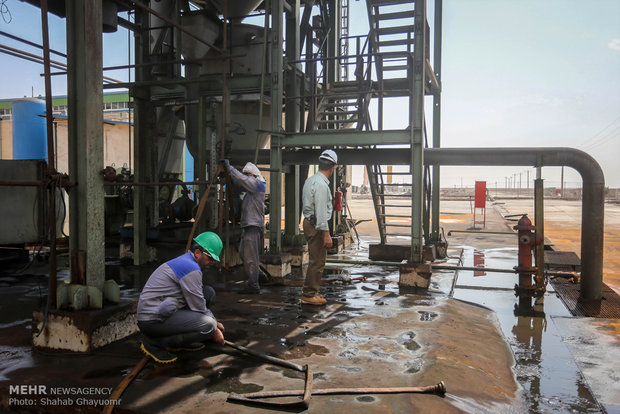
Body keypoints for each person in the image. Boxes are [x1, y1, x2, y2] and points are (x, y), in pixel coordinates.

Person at [137, 231, 226, 363]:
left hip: (164, 309)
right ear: (197, 253)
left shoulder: (188, 262)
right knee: (208, 326)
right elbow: (199, 307)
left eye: (213, 259)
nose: (212, 262)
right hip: (152, 319)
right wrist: (215, 329)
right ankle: (157, 343)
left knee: (208, 293)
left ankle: (180, 340)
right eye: (210, 258)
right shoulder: (191, 268)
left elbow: (199, 299)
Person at [221, 159, 267, 294]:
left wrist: (229, 168)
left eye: (247, 175)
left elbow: (242, 179)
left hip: (253, 226)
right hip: (249, 225)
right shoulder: (253, 188)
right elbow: (239, 181)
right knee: (244, 253)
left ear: (253, 175)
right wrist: (228, 176)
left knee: (250, 257)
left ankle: (253, 285)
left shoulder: (257, 184)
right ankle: (259, 276)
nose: (246, 177)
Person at [300, 149, 338, 306]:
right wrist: (326, 234)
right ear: (332, 167)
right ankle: (308, 294)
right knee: (318, 261)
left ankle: (312, 290)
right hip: (317, 225)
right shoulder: (322, 186)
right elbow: (321, 212)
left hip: (309, 222)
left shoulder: (311, 180)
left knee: (315, 259)